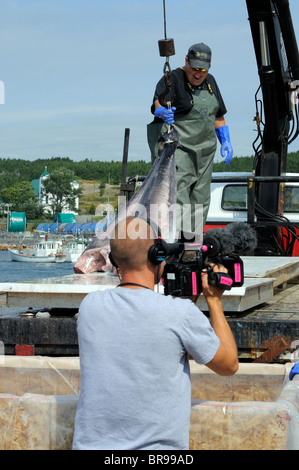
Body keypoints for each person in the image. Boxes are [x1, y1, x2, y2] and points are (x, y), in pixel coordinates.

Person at [72, 216, 238, 450]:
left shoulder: (90, 306)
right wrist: (214, 301)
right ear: (156, 255)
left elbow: (143, 330)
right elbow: (229, 365)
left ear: (114, 259)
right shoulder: (180, 313)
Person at [147, 43, 233, 232]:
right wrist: (161, 112)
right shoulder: (172, 78)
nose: (198, 74)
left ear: (209, 66)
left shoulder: (211, 82)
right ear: (186, 61)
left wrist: (225, 139)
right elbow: (156, 104)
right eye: (194, 68)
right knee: (179, 195)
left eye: (202, 70)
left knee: (201, 198)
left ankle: (192, 246)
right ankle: (176, 244)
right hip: (179, 150)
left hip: (204, 153)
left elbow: (218, 116)